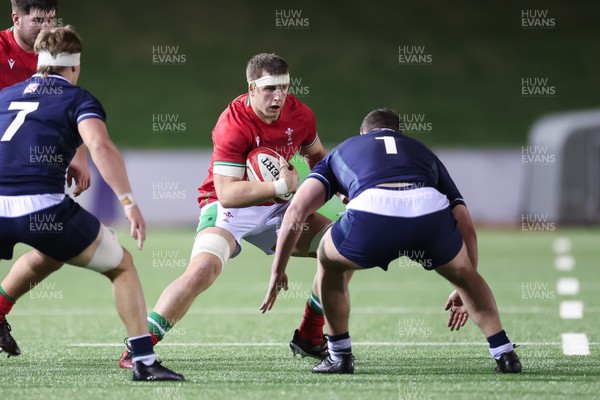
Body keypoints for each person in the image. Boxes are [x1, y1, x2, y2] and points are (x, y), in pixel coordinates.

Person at [260, 108, 522, 375]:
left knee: (329, 260)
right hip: (428, 213)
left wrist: (278, 269)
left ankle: (339, 355)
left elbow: (296, 212)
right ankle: (504, 354)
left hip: (373, 214)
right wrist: (465, 277)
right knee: (466, 276)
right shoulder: (422, 151)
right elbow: (463, 218)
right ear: (398, 134)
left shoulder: (345, 149)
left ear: (363, 133)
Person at [119, 53, 333, 368]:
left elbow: (318, 157)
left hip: (278, 208)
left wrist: (332, 185)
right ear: (251, 87)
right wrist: (280, 187)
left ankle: (309, 335)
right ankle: (140, 347)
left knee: (340, 248)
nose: (279, 96)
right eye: (270, 88)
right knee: (202, 271)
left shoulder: (300, 115)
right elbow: (228, 193)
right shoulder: (233, 123)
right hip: (228, 208)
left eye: (284, 88)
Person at [0, 25, 183, 381]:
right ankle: (143, 361)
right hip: (41, 210)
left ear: (39, 62)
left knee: (52, 254)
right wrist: (129, 202)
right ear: (75, 66)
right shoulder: (78, 99)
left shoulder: (6, 95)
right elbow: (100, 147)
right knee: (122, 266)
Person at [1, 0, 90, 195]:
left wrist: (79, 156)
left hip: (32, 160)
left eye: (51, 20)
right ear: (16, 19)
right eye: (38, 20)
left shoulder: (56, 54)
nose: (46, 28)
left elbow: (68, 104)